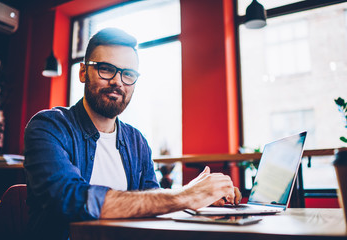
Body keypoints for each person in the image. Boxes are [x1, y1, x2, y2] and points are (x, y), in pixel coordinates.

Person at [23, 28, 241, 240]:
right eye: (106, 69)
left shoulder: (137, 142)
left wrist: (203, 197)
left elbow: (156, 204)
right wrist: (186, 195)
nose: (118, 82)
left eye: (127, 74)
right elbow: (69, 199)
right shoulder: (49, 127)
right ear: (83, 72)